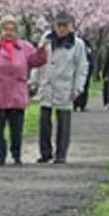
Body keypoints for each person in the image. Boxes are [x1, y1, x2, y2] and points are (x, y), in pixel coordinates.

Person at [0, 15, 48, 166]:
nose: (9, 33)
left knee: (16, 130)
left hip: (16, 93)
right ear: (1, 31)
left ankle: (16, 155)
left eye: (12, 30)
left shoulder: (25, 47)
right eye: (6, 29)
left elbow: (36, 61)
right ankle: (0, 156)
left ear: (17, 31)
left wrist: (41, 50)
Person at [29, 12, 89, 164]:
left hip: (65, 85)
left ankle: (61, 153)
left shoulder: (78, 44)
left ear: (70, 26)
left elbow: (82, 67)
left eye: (65, 26)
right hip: (47, 83)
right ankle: (45, 152)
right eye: (59, 26)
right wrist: (33, 81)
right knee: (44, 121)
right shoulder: (46, 39)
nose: (61, 29)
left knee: (63, 121)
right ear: (54, 26)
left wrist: (78, 88)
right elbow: (38, 60)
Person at [73, 41, 95, 112]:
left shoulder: (88, 52)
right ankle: (75, 105)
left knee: (84, 90)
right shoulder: (76, 51)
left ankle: (82, 105)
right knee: (76, 88)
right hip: (76, 73)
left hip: (85, 73)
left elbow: (91, 63)